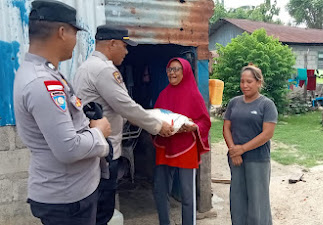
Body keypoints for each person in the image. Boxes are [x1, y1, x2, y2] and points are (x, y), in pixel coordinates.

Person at [13, 1, 111, 224]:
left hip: (71, 194)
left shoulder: (45, 73)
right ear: (62, 32)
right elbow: (68, 148)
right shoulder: (42, 82)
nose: (76, 41)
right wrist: (99, 132)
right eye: (75, 33)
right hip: (68, 202)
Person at [73, 25, 174, 225]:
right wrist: (157, 126)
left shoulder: (86, 67)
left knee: (94, 209)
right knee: (103, 211)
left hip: (92, 148)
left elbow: (115, 109)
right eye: (125, 46)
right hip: (105, 151)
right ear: (112, 44)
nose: (127, 52)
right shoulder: (104, 70)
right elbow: (126, 107)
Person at [153, 58, 211, 225]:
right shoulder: (163, 94)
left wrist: (193, 128)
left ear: (184, 71)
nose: (172, 73)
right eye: (170, 69)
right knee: (161, 190)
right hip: (165, 146)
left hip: (186, 148)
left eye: (176, 69)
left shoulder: (194, 94)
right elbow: (155, 117)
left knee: (187, 194)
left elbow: (204, 121)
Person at [223, 64, 278, 225]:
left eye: (249, 81)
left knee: (257, 202)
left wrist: (242, 149)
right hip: (236, 159)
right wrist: (234, 150)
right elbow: (226, 127)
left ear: (259, 83)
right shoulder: (234, 103)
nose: (245, 85)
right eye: (242, 81)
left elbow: (267, 134)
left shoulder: (266, 105)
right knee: (237, 199)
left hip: (258, 159)